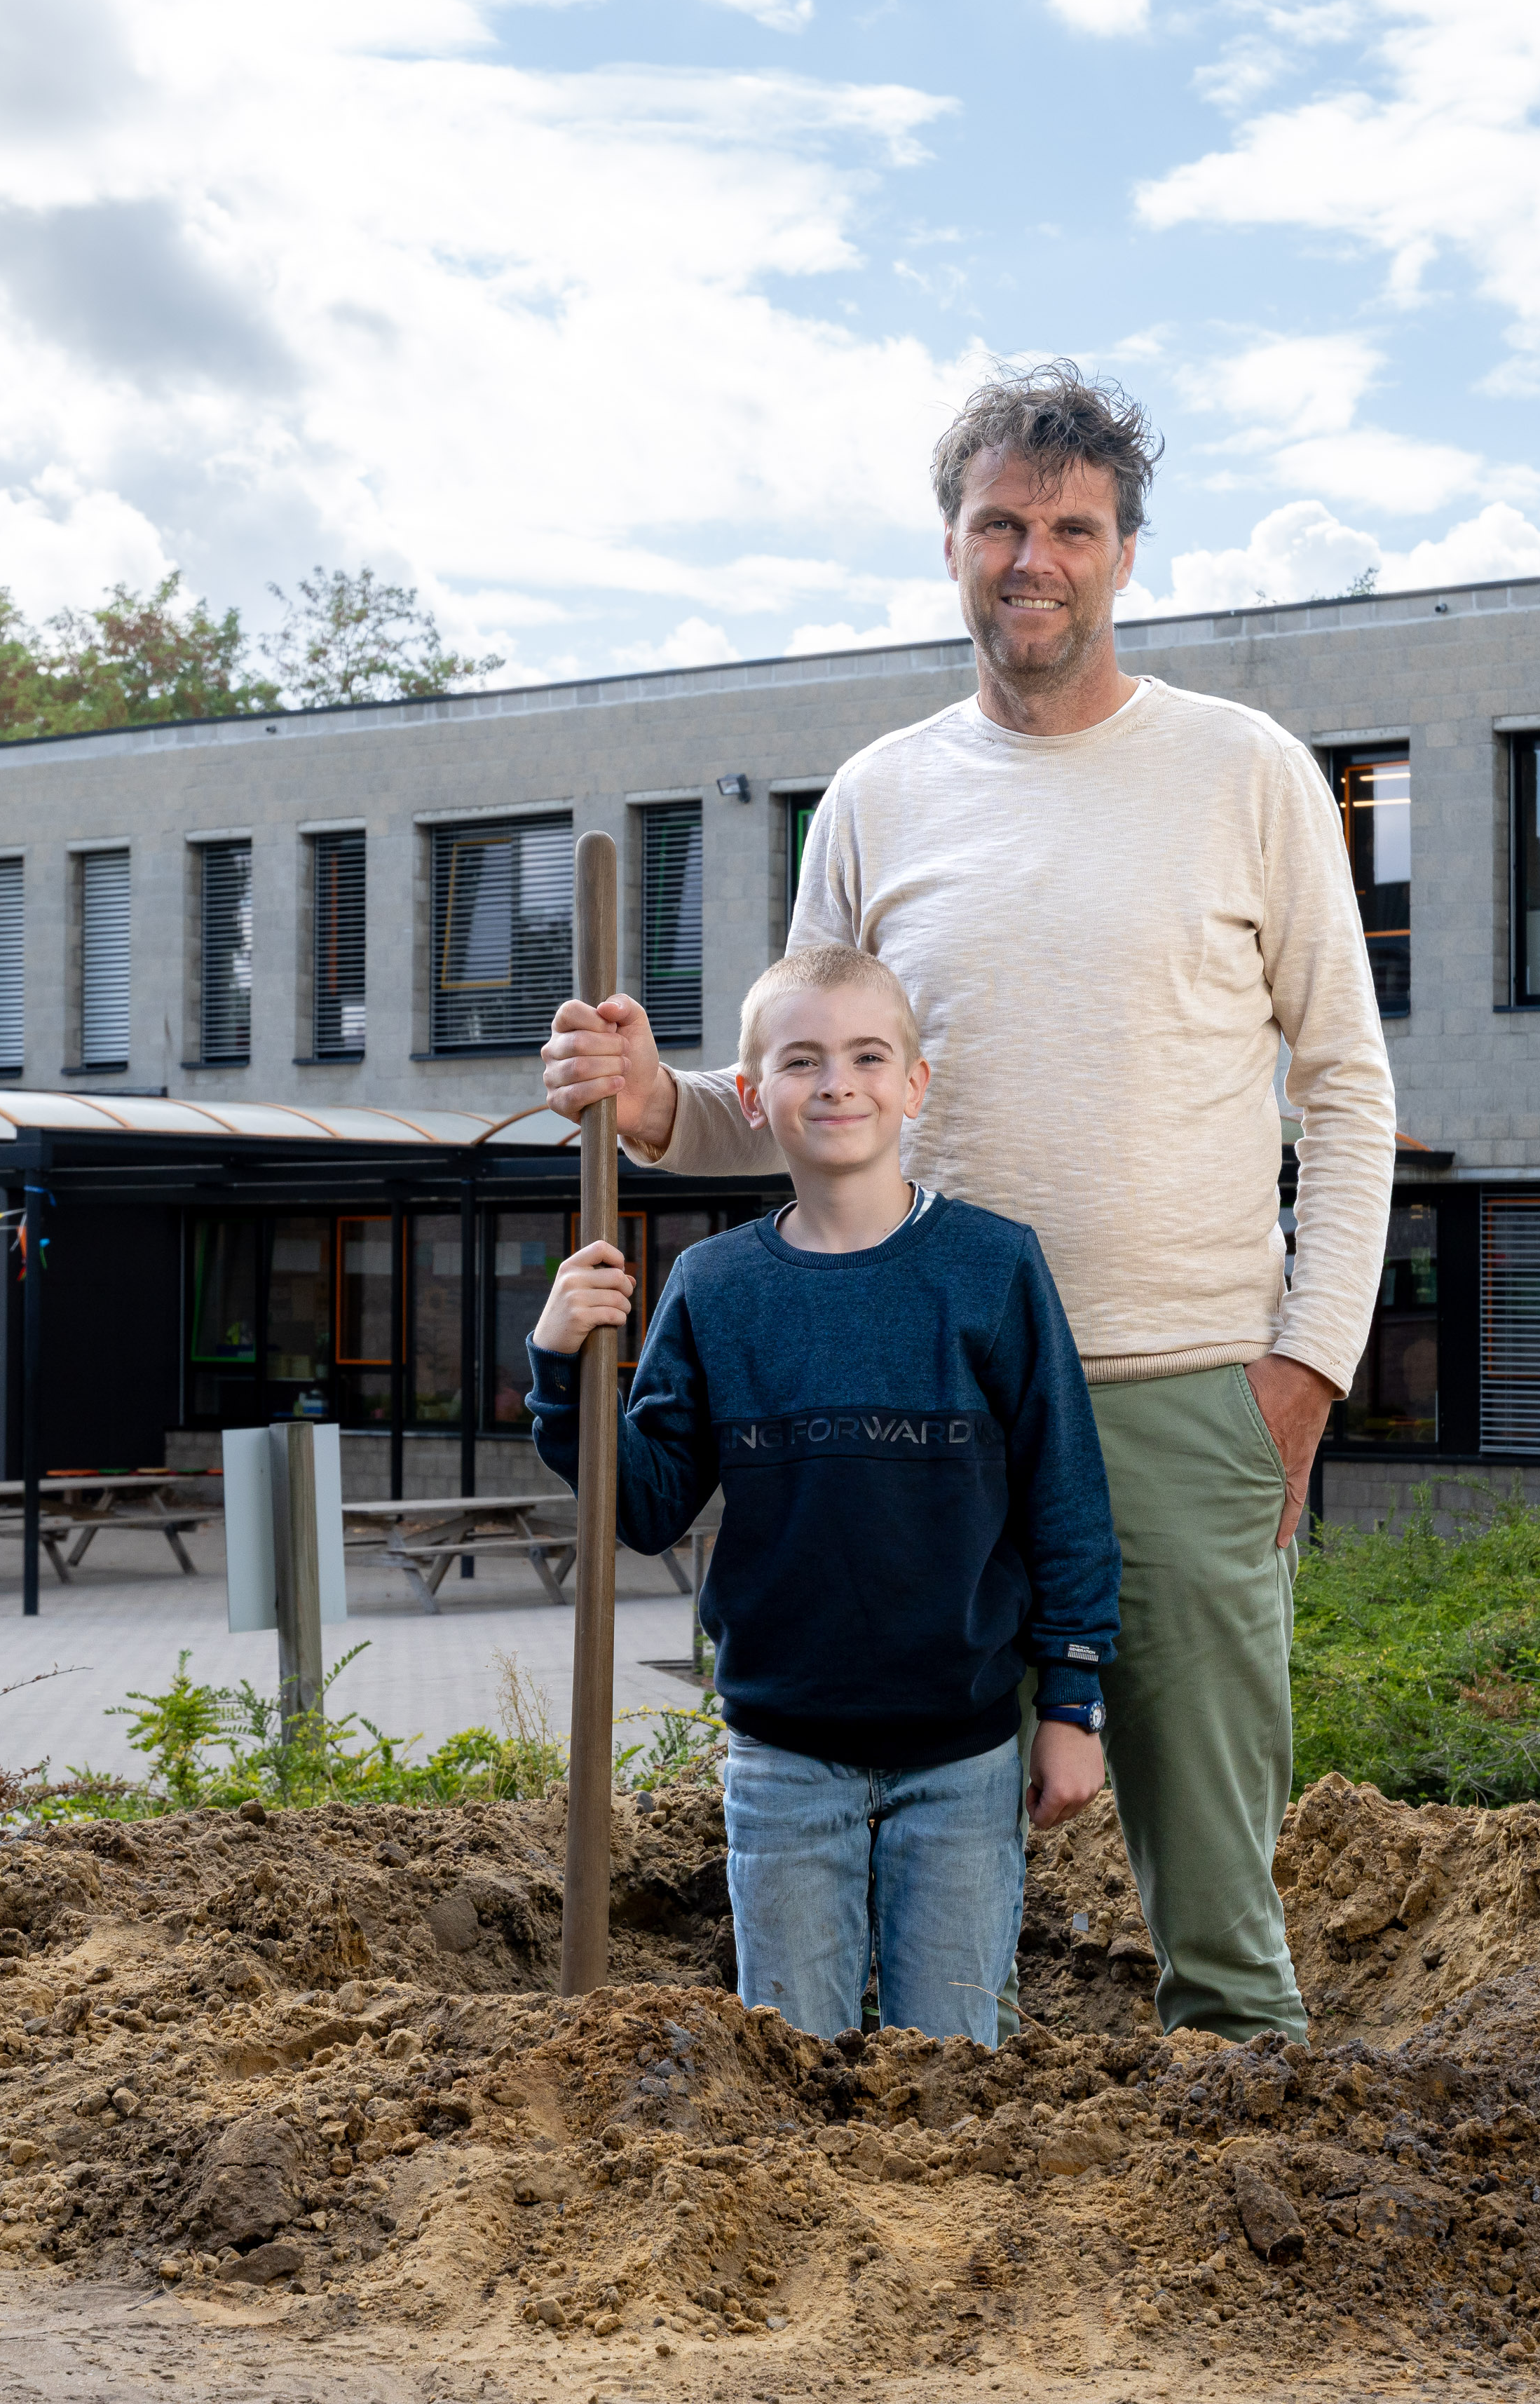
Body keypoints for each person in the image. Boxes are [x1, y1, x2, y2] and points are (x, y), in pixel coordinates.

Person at [540, 360, 1394, 2042]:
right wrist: (653, 1106)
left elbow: (1349, 1090)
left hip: (1174, 1386)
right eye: (1000, 522)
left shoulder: (1248, 773)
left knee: (1215, 1897)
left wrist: (1306, 1371)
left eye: (1071, 526)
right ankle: (910, 2186)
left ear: (1124, 554)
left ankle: (1248, 2187)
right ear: (951, 544)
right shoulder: (876, 795)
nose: (1034, 557)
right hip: (913, 1402)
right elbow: (802, 1095)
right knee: (913, 1825)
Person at [525, 942, 1119, 2047]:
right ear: (752, 1098)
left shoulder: (992, 1269)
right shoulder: (717, 1288)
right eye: (801, 1061)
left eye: (865, 1057)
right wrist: (565, 1371)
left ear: (913, 1085)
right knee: (790, 2057)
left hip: (964, 1750)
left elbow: (1065, 1496)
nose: (837, 1083)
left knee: (952, 2062)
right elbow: (646, 1505)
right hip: (783, 1756)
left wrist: (1075, 1706)